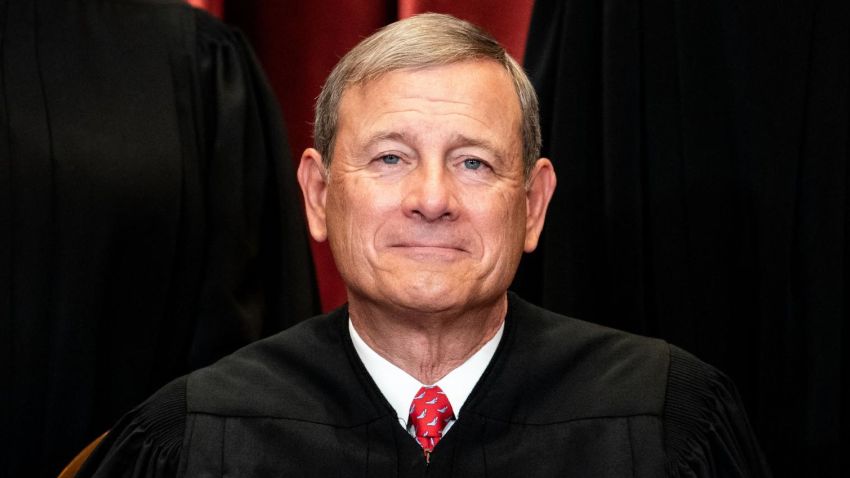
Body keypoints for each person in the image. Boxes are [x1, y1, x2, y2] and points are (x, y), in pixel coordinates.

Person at [79, 13, 770, 477]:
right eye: (389, 159)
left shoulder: (666, 422)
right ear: (319, 196)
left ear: (532, 205)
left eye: (473, 162)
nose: (432, 199)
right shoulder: (196, 438)